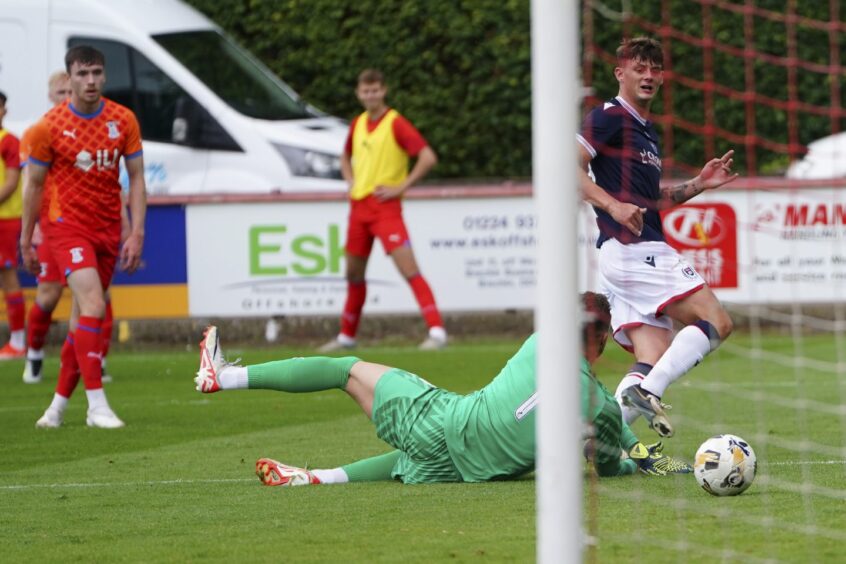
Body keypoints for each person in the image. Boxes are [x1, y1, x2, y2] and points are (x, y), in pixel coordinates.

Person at [193, 292, 689, 486]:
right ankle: (315, 478)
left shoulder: (540, 342)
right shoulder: (599, 408)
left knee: (347, 369)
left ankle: (226, 377)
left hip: (443, 421)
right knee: (403, 466)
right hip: (463, 473)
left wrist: (631, 443)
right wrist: (636, 454)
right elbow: (602, 454)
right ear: (603, 339)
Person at [577, 37, 739, 438]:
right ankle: (648, 393)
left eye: (655, 69)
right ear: (621, 73)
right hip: (635, 250)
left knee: (653, 355)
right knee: (716, 322)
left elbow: (653, 202)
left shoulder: (646, 133)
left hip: (624, 253)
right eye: (639, 67)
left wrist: (700, 183)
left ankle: (600, 441)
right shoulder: (609, 116)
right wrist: (613, 206)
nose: (648, 75)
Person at [21, 45, 147, 428]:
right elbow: (34, 185)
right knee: (94, 303)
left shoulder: (123, 119)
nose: (90, 81)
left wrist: (136, 231)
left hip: (107, 227)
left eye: (96, 73)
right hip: (66, 227)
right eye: (82, 74)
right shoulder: (48, 127)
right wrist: (27, 238)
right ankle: (97, 406)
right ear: (69, 77)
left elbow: (138, 178)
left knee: (81, 322)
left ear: (104, 75)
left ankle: (57, 407)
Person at [319, 69, 447, 352]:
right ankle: (346, 337)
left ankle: (437, 331)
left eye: (375, 90)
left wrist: (402, 186)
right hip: (358, 209)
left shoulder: (396, 122)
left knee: (408, 268)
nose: (371, 95)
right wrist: (350, 180)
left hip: (386, 209)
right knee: (353, 274)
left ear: (383, 91)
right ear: (359, 94)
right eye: (366, 91)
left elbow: (427, 157)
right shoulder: (358, 123)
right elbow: (345, 155)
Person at [20, 71, 119, 384]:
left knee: (95, 296)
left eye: (68, 90)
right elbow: (30, 184)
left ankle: (94, 359)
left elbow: (114, 183)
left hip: (89, 226)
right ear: (52, 96)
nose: (66, 96)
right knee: (48, 295)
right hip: (55, 226)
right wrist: (32, 227)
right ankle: (34, 352)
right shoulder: (41, 131)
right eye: (60, 91)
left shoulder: (98, 130)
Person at [0, 91, 26, 360]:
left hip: (5, 219)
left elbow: (10, 182)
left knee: (7, 277)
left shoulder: (9, 142)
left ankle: (18, 342)